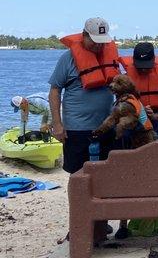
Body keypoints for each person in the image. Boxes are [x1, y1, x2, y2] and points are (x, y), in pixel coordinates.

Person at [48, 17, 120, 242]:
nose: (99, 46)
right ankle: (78, 225)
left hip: (106, 127)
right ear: (84, 35)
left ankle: (101, 225)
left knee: (104, 178)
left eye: (102, 41)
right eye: (95, 41)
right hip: (77, 130)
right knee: (78, 179)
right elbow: (54, 91)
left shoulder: (110, 56)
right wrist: (58, 124)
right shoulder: (68, 58)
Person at [118, 42, 158, 139]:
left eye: (147, 66)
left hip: (155, 130)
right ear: (134, 61)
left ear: (153, 60)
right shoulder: (125, 81)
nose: (144, 70)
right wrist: (138, 111)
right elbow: (117, 108)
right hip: (131, 132)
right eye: (140, 66)